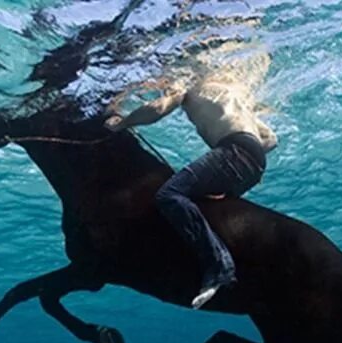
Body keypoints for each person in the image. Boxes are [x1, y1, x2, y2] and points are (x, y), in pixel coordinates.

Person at [104, 59, 277, 309]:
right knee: (197, 203)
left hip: (234, 150)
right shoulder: (231, 94)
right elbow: (271, 140)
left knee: (169, 195)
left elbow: (157, 109)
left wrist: (123, 123)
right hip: (255, 162)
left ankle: (220, 266)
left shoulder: (188, 84)